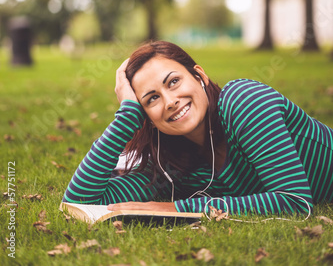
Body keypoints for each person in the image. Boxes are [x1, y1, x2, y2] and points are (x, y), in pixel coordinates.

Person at [62, 41, 333, 217]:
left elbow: (296, 203)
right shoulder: (174, 168)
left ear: (200, 76)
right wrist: (128, 115)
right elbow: (79, 203)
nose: (170, 102)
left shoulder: (244, 101)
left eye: (174, 82)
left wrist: (173, 209)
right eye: (151, 99)